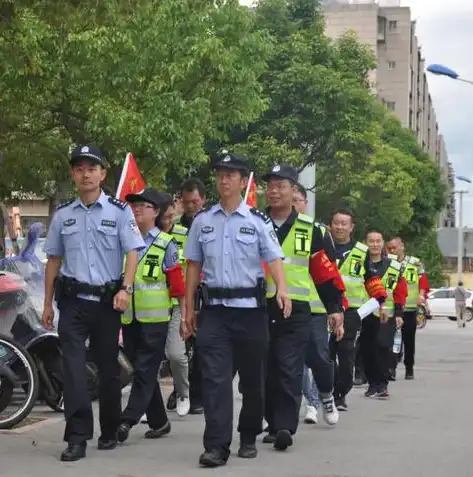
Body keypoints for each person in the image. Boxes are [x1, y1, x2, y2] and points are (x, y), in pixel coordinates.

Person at [182, 152, 290, 468]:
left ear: (244, 182)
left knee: (253, 381)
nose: (224, 179)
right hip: (214, 311)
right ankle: (216, 445)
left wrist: (281, 288)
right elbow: (193, 266)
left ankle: (248, 434)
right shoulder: (203, 221)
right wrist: (188, 308)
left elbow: (274, 259)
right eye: (220, 174)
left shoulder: (258, 221)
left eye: (231, 175)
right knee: (214, 379)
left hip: (251, 311)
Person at [42, 145, 145, 462]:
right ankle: (77, 437)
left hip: (106, 302)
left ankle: (110, 427)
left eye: (91, 168)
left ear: (102, 173)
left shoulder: (119, 211)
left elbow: (132, 251)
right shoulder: (64, 215)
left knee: (108, 369)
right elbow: (54, 260)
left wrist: (126, 288)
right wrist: (47, 303)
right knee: (73, 370)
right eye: (79, 168)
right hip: (72, 303)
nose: (85, 173)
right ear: (73, 174)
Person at [261, 165, 344, 452]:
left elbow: (324, 273)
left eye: (280, 185)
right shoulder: (255, 223)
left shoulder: (310, 231)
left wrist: (334, 307)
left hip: (296, 310)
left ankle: (284, 426)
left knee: (289, 366)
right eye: (270, 185)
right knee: (267, 368)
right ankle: (271, 422)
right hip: (259, 308)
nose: (274, 191)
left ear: (294, 190)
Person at [117, 188, 185, 443]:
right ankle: (160, 421)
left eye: (142, 206)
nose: (135, 209)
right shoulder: (124, 241)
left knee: (146, 369)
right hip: (129, 317)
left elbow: (177, 285)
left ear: (155, 212)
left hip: (156, 319)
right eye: (133, 205)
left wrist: (186, 315)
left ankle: (127, 419)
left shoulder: (166, 243)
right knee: (140, 370)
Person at [329, 208, 387, 411]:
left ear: (352, 227)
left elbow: (376, 288)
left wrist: (360, 313)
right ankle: (328, 390)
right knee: (324, 356)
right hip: (324, 310)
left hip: (351, 313)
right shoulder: (321, 247)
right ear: (330, 225)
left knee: (346, 356)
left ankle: (340, 394)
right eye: (336, 222)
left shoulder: (362, 252)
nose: (340, 227)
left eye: (344, 223)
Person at [167, 178, 207, 415]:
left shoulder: (209, 223)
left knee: (201, 346)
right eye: (186, 201)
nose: (191, 205)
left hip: (204, 291)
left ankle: (197, 394)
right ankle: (180, 389)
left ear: (203, 199)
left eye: (195, 201)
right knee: (179, 347)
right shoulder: (175, 228)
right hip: (181, 294)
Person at [359, 231, 406, 398]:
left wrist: (399, 313)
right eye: (371, 241)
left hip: (387, 314)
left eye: (378, 241)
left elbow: (401, 290)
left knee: (383, 347)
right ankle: (372, 383)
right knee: (367, 349)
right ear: (365, 242)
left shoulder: (392, 265)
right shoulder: (360, 262)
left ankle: (383, 383)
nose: (374, 244)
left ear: (382, 244)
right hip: (365, 313)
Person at [156, 192, 190, 416]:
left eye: (171, 217)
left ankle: (183, 392)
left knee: (176, 354)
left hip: (177, 304)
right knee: (148, 359)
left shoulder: (184, 235)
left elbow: (192, 267)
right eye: (165, 217)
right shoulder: (142, 237)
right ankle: (148, 404)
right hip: (149, 306)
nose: (169, 222)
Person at [386, 237, 430, 379]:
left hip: (410, 308)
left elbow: (423, 282)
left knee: (408, 340)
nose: (392, 250)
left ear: (402, 246)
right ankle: (391, 368)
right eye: (390, 248)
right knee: (391, 340)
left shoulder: (415, 263)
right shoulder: (387, 263)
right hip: (392, 308)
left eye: (395, 247)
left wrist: (421, 295)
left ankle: (409, 367)